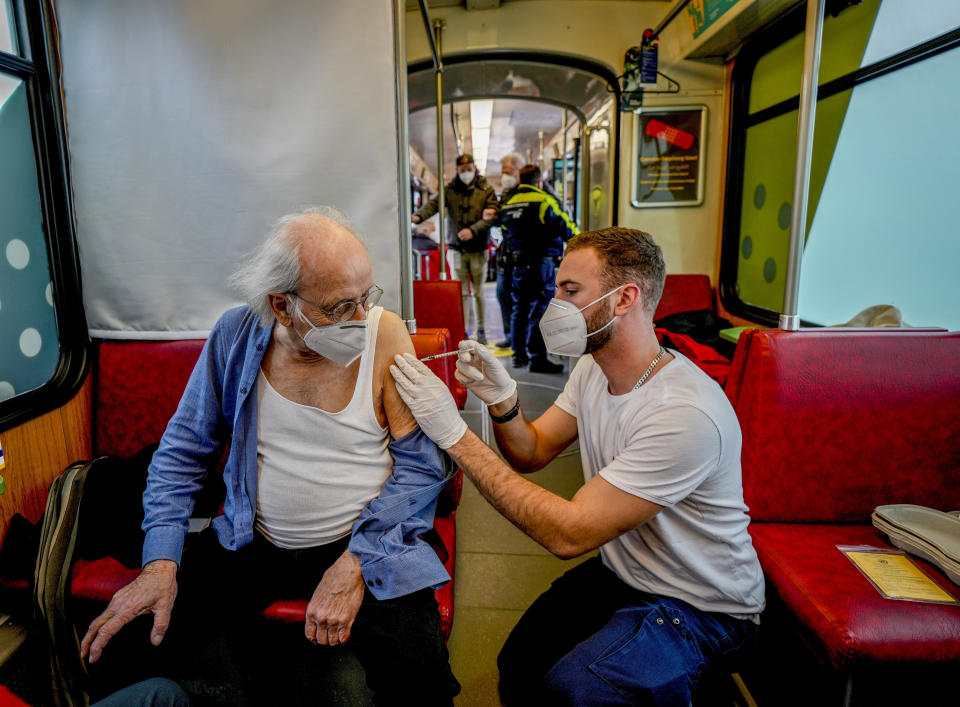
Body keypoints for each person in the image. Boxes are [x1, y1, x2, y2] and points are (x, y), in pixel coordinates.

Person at [81, 207, 460, 705]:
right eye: (340, 307)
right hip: (251, 542)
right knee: (123, 650)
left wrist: (356, 561)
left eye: (366, 298)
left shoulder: (384, 335)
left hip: (367, 541)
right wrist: (160, 564)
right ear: (281, 306)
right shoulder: (236, 338)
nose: (361, 319)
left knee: (420, 679)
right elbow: (181, 453)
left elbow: (420, 469)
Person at [390, 227, 765, 706]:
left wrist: (454, 435)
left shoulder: (682, 413)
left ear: (625, 297)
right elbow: (533, 451)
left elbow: (568, 534)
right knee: (520, 665)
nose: (555, 304)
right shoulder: (594, 367)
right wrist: (503, 401)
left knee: (579, 690)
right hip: (627, 573)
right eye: (556, 289)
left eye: (570, 291)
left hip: (702, 606)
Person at [499, 164, 579, 373]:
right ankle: (537, 358)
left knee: (520, 309)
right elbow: (569, 230)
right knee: (541, 311)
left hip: (518, 265)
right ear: (539, 182)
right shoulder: (545, 201)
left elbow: (506, 232)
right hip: (541, 263)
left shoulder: (509, 203)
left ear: (520, 180)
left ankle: (519, 356)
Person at [412, 154, 498, 344]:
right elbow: (433, 205)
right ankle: (464, 330)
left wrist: (473, 231)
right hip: (456, 249)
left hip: (478, 248)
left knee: (478, 291)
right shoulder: (449, 190)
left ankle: (481, 328)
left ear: (474, 169)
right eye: (462, 170)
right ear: (457, 171)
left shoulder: (486, 190)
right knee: (462, 292)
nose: (466, 173)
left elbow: (492, 217)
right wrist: (418, 216)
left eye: (469, 169)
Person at [494, 152, 524, 349]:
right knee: (502, 293)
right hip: (506, 252)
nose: (505, 176)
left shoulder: (530, 191)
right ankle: (510, 335)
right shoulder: (505, 193)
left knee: (521, 299)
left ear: (518, 171)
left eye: (508, 172)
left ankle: (521, 339)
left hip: (523, 253)